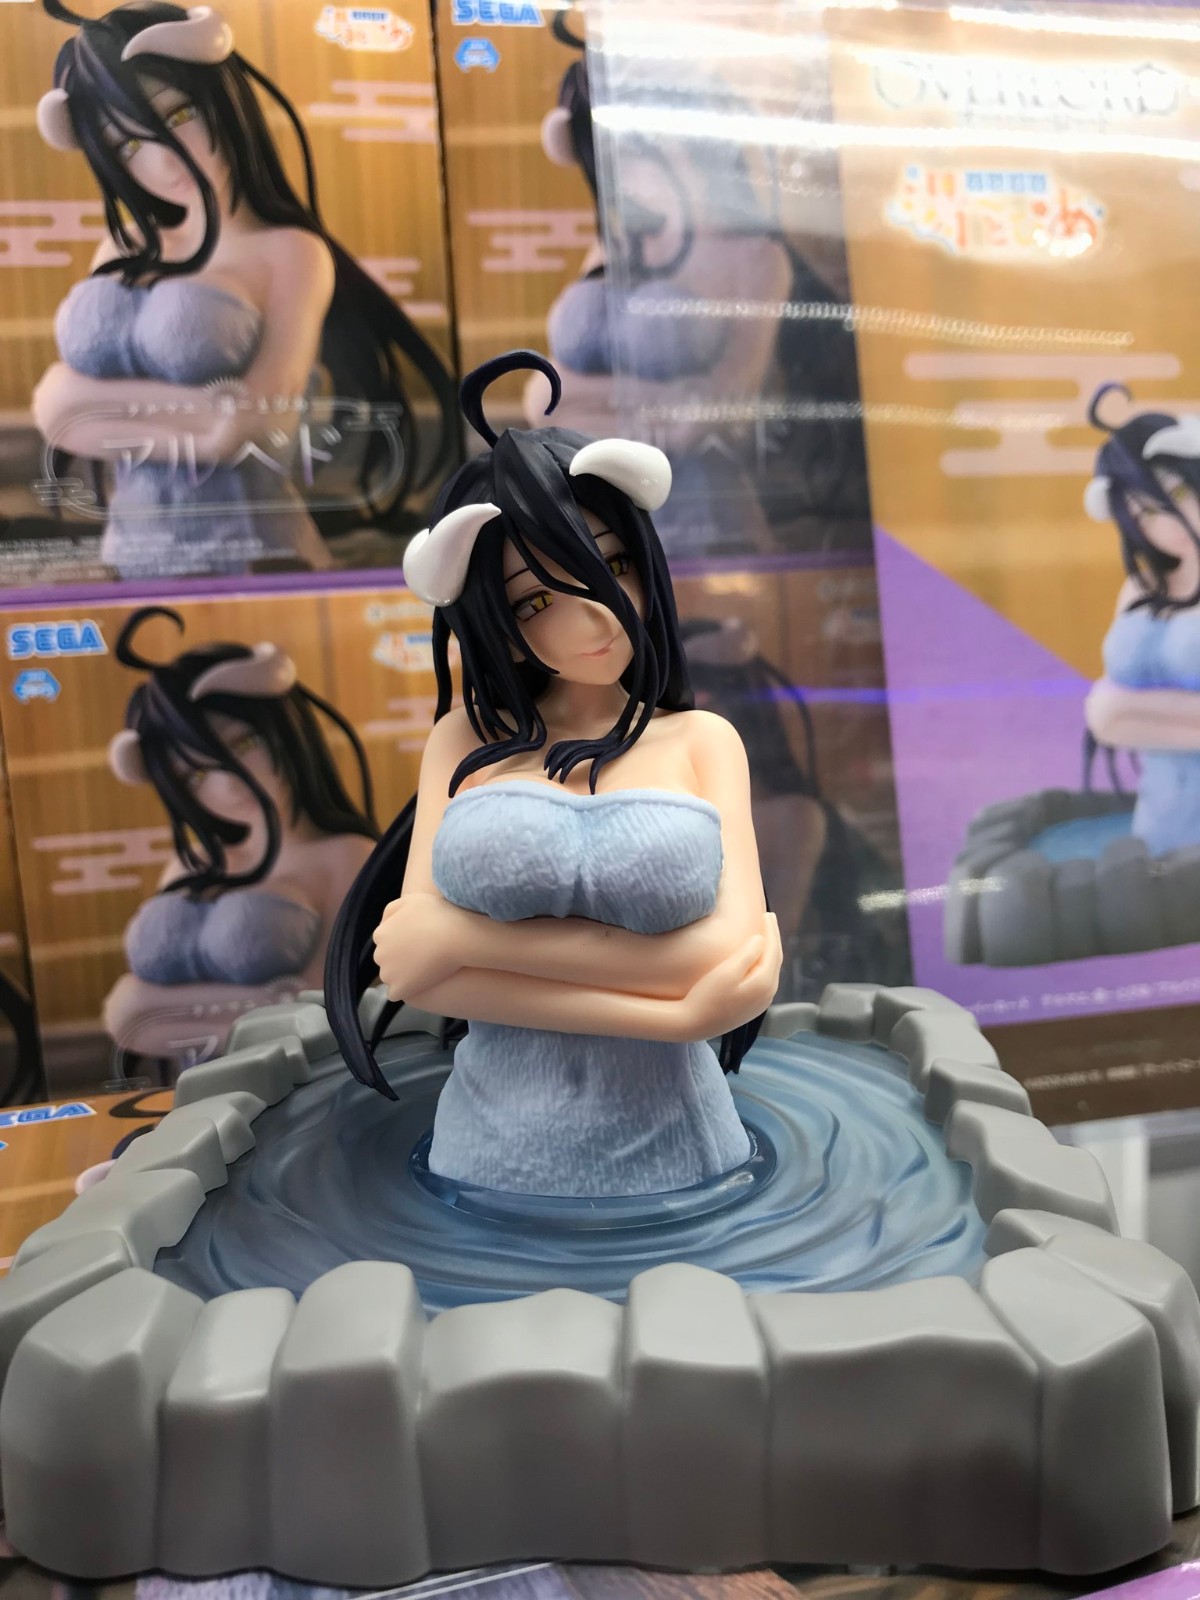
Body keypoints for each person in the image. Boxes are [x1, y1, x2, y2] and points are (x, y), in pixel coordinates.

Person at [327, 350, 781, 1198]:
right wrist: (675, 1009)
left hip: (682, 1162)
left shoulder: (703, 740)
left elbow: (730, 954)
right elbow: (413, 969)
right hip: (483, 1161)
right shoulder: (462, 741)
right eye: (534, 602)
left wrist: (469, 944)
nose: (592, 619)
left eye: (610, 567)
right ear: (493, 622)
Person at [33, 0, 456, 577]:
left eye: (179, 115)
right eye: (127, 146)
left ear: (223, 99)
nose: (163, 162)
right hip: (128, 557)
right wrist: (206, 419)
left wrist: (87, 409)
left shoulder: (291, 252)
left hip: (259, 556)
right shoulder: (121, 249)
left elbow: (262, 424)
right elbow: (54, 411)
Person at [104, 605, 378, 1062]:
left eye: (243, 744)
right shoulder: (192, 864)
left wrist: (150, 1010)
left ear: (286, 727)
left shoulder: (348, 857)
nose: (226, 784)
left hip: (307, 1082)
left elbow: (327, 1009)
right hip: (197, 1087)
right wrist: (267, 1004)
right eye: (194, 775)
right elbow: (127, 1018)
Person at [1083, 383, 1200, 857]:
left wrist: (1120, 711)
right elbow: (1106, 718)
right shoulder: (1140, 591)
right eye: (1142, 513)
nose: (1164, 523)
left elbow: (1109, 712)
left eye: (1176, 493)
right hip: (1161, 816)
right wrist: (1112, 714)